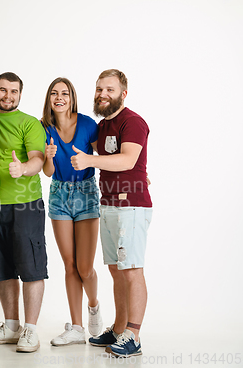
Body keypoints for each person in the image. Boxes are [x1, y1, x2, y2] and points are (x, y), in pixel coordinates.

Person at [71, 69, 152, 358]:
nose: (102, 94)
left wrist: (90, 160)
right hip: (108, 205)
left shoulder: (133, 122)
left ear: (123, 94)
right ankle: (119, 330)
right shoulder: (103, 125)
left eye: (109, 89)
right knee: (116, 271)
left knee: (131, 270)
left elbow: (129, 159)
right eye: (98, 89)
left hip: (131, 206)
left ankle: (134, 336)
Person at [0, 72, 47, 353]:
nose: (8, 96)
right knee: (2, 267)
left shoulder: (29, 123)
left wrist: (23, 169)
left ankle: (31, 330)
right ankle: (11, 326)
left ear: (20, 95)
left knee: (31, 267)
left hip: (25, 203)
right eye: (3, 90)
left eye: (14, 92)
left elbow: (38, 159)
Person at [41, 77, 103, 346]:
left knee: (85, 268)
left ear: (72, 98)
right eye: (54, 93)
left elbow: (103, 158)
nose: (59, 97)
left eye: (64, 93)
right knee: (69, 265)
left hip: (86, 193)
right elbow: (48, 172)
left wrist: (136, 173)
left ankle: (93, 306)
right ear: (49, 99)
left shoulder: (88, 124)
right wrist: (49, 157)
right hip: (59, 194)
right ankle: (76, 328)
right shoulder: (44, 127)